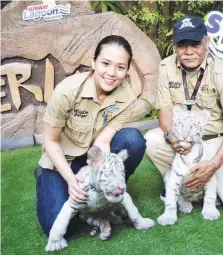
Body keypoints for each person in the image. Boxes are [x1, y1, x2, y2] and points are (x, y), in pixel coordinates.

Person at [36, 35, 146, 236]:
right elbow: (50, 142)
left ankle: (110, 193)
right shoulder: (67, 91)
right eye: (105, 63)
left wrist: (108, 181)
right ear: (93, 62)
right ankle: (44, 177)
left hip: (93, 158)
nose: (112, 73)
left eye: (120, 67)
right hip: (63, 160)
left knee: (133, 140)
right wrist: (71, 182)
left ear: (126, 70)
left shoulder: (127, 96)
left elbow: (103, 141)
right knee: (54, 225)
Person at [145, 15, 223, 214]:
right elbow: (165, 111)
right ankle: (181, 185)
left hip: (215, 143)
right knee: (151, 140)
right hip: (182, 142)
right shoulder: (166, 67)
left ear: (207, 41)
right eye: (182, 45)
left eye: (195, 44)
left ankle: (207, 180)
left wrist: (215, 162)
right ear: (174, 45)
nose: (188, 52)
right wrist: (172, 136)